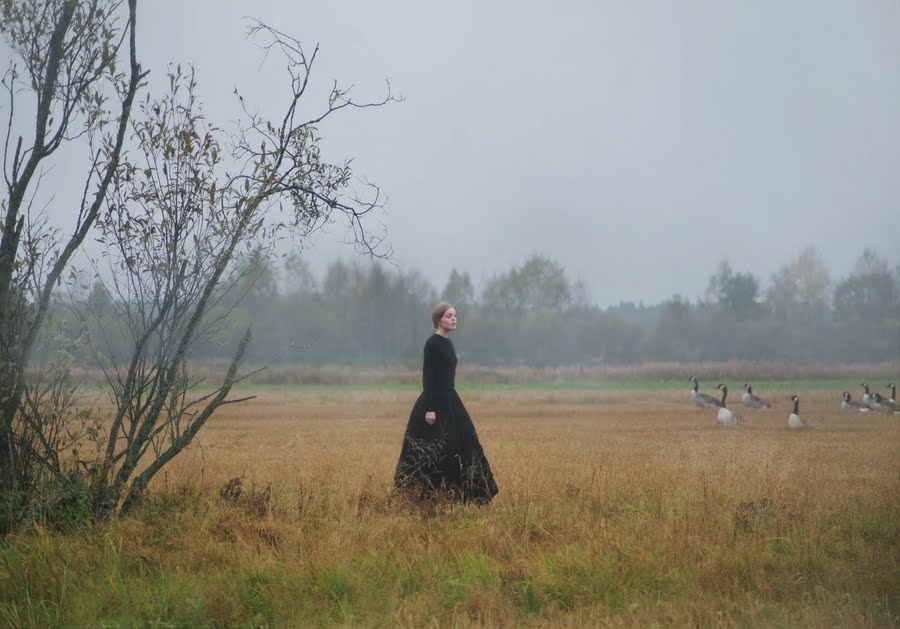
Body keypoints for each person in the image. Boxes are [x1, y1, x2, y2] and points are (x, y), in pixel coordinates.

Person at [394, 302, 498, 504]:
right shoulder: (431, 344)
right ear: (438, 319)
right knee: (433, 450)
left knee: (467, 442)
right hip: (434, 404)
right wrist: (430, 409)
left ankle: (473, 496)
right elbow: (428, 378)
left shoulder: (448, 343)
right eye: (449, 315)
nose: (454, 318)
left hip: (451, 400)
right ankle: (424, 498)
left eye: (455, 315)